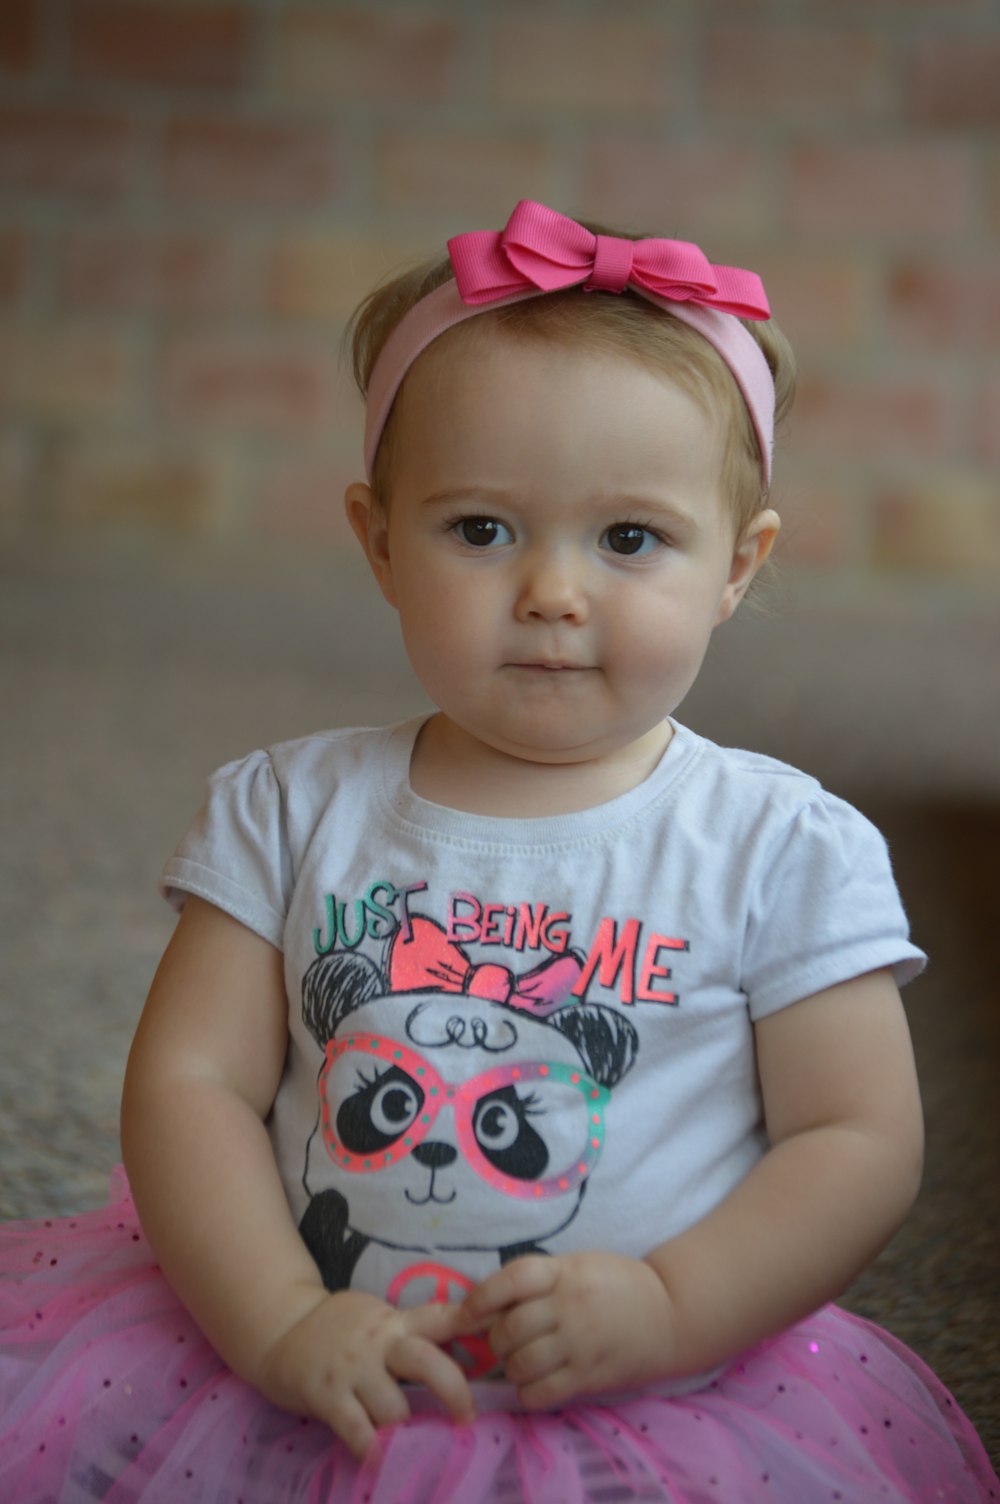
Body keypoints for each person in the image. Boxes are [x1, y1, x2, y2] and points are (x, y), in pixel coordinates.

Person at [1, 200, 996, 1504]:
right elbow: (189, 1083)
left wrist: (672, 1300)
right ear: (378, 540)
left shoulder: (779, 847)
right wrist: (280, 1316)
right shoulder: (286, 808)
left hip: (655, 1381)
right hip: (315, 1346)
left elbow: (856, 1136)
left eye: (629, 538)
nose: (553, 592)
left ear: (740, 566)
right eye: (481, 530)